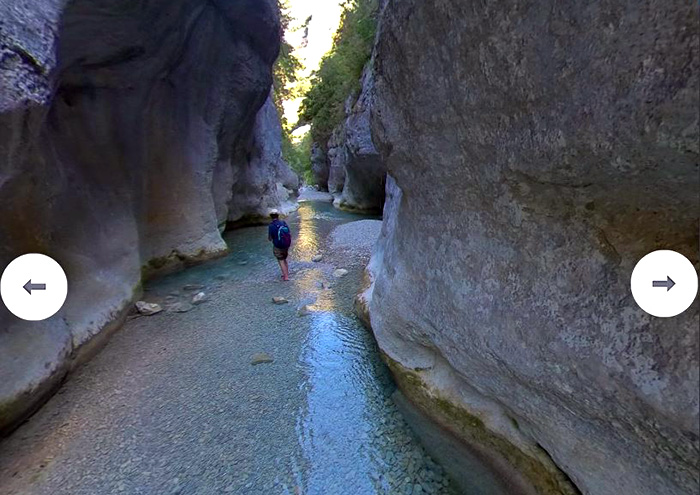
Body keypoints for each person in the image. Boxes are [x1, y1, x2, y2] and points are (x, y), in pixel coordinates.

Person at [268, 209, 291, 281]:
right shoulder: (283, 222)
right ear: (278, 215)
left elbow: (270, 238)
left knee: (281, 260)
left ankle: (286, 276)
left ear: (271, 216)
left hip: (278, 245)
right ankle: (286, 273)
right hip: (286, 244)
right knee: (284, 258)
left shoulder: (271, 225)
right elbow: (288, 232)